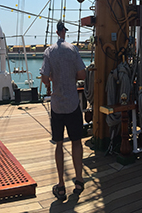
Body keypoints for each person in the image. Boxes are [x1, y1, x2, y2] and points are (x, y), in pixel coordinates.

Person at [40, 21, 87, 200]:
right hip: (73, 104)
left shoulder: (49, 51)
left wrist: (52, 79)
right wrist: (70, 77)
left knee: (59, 144)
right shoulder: (72, 49)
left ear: (56, 32)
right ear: (64, 32)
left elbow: (44, 78)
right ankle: (79, 180)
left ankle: (60, 185)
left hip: (57, 106)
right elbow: (82, 74)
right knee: (76, 142)